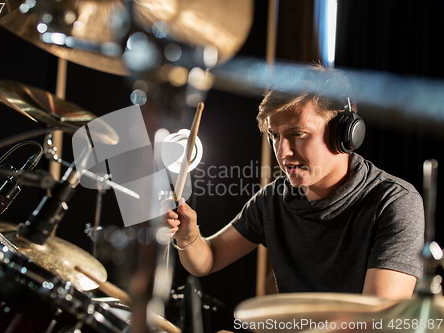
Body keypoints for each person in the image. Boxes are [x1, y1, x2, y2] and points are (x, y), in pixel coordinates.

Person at [163, 65, 424, 300]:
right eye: (275, 136)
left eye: (297, 134)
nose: (282, 152)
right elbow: (208, 260)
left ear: (344, 134)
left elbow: (376, 324)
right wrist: (188, 236)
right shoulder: (273, 200)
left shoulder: (394, 203)